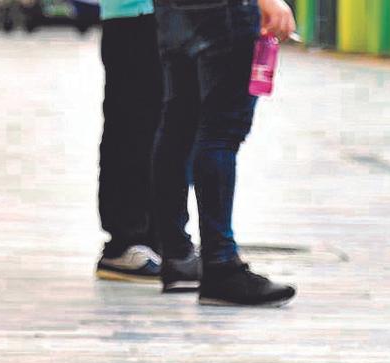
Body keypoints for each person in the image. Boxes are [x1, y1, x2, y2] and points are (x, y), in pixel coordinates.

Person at [150, 0, 297, 305]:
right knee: (221, 133)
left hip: (172, 8)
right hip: (226, 10)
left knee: (179, 125)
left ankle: (176, 255)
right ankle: (221, 266)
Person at [93, 0, 186, 285]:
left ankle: (160, 239)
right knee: (132, 128)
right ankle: (125, 242)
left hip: (167, 15)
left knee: (164, 127)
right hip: (135, 15)